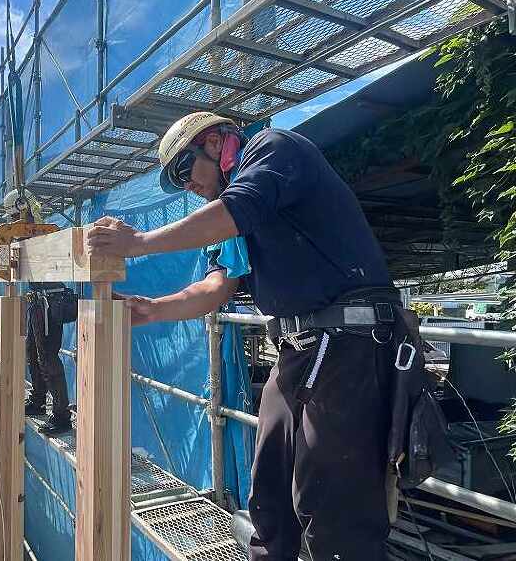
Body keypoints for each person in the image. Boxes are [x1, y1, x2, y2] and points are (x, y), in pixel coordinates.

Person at [86, 112, 398, 560]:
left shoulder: (272, 151)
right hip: (300, 348)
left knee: (334, 509)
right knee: (269, 495)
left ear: (214, 142)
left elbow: (236, 211)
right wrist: (152, 310)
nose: (186, 186)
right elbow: (216, 287)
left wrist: (138, 243)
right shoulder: (233, 211)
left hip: (350, 340)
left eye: (182, 170)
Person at [1, 189, 78, 436]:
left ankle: (61, 416)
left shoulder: (40, 232)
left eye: (14, 214)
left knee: (48, 358)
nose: (11, 221)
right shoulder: (24, 234)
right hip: (38, 302)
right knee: (33, 355)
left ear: (22, 209)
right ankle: (37, 400)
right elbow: (8, 264)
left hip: (50, 302)